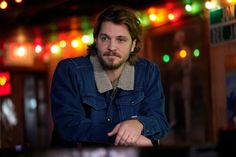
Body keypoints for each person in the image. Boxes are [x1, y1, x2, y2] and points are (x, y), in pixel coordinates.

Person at [50, 5, 169, 147]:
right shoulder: (70, 70)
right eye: (105, 38)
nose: (112, 47)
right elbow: (69, 126)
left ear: (133, 45)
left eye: (121, 40)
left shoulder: (148, 72)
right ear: (95, 40)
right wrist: (127, 136)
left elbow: (160, 122)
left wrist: (139, 124)